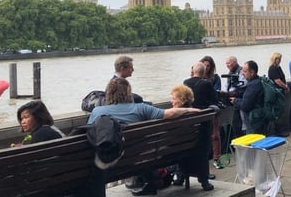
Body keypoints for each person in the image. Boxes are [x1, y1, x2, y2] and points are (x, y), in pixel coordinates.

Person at [88, 78, 200, 196]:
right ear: (128, 93)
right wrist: (187, 108)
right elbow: (170, 113)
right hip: (140, 159)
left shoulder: (97, 111)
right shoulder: (141, 108)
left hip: (110, 162)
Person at [180, 62, 216, 191]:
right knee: (203, 149)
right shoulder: (207, 84)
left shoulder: (185, 82)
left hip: (188, 125)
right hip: (202, 124)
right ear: (204, 72)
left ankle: (180, 175)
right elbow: (214, 100)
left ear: (193, 71)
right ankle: (204, 180)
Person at [231, 60, 268, 134]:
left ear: (252, 72)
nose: (242, 74)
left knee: (253, 140)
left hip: (254, 119)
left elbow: (245, 105)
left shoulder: (253, 85)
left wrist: (235, 101)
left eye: (245, 71)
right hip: (260, 117)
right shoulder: (258, 81)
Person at [200, 56, 223, 168]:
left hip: (212, 109)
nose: (206, 68)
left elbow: (216, 93)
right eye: (204, 65)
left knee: (215, 135)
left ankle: (216, 158)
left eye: (208, 66)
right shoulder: (197, 78)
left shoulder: (215, 78)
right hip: (201, 110)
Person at [268, 52, 291, 137]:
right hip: (277, 92)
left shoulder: (278, 67)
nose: (279, 61)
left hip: (280, 91)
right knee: (278, 111)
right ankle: (278, 131)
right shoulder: (273, 69)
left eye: (280, 59)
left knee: (281, 111)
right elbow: (277, 81)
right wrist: (286, 86)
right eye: (278, 59)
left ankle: (281, 130)